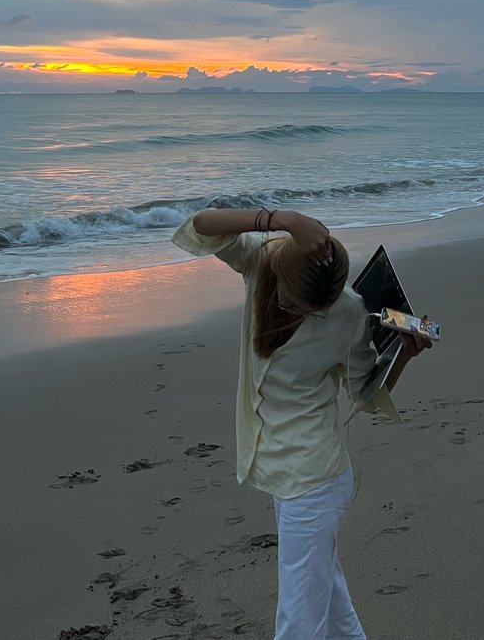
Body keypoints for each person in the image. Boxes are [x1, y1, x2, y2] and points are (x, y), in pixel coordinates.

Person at [172, 204, 431, 640]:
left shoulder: (349, 311)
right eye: (296, 303)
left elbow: (364, 392)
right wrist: (284, 220)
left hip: (315, 480)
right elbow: (201, 224)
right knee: (327, 600)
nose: (305, 313)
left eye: (317, 309)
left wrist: (402, 354)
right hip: (284, 469)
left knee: (299, 619)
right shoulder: (261, 259)